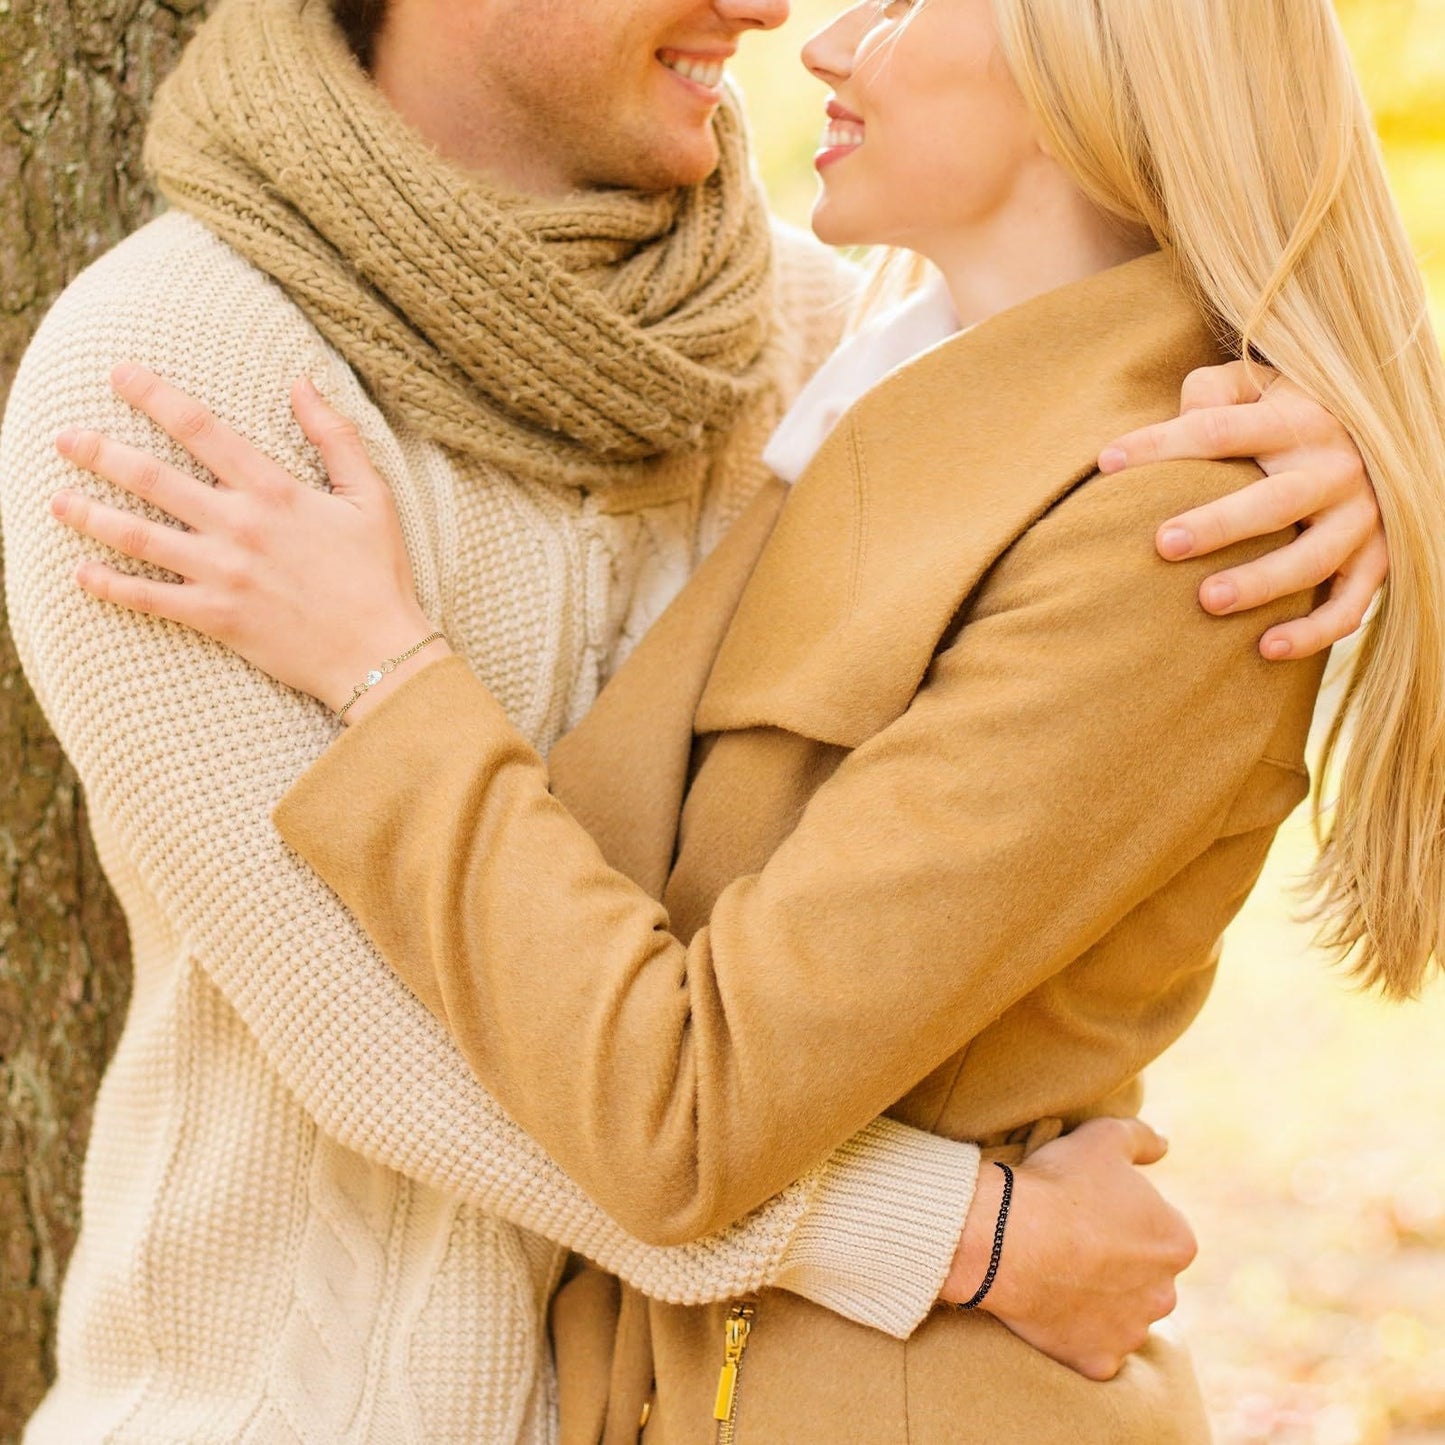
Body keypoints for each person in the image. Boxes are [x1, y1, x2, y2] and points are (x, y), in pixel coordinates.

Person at [2, 0, 1390, 1440]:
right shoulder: (176, 383)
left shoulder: (801, 340)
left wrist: (1365, 454)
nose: (778, 15)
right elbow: (388, 1046)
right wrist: (965, 1236)